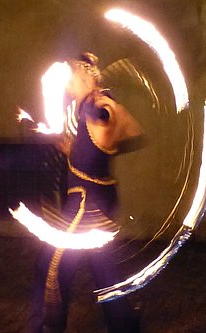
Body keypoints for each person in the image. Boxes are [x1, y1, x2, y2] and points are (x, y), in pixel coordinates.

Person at [24, 52, 142, 333]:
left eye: (72, 80)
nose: (68, 87)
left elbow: (130, 130)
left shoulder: (99, 105)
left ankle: (47, 327)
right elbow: (108, 141)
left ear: (87, 77)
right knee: (103, 269)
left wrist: (104, 133)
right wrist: (77, 149)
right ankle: (124, 323)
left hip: (86, 203)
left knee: (51, 266)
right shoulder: (83, 110)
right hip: (95, 198)